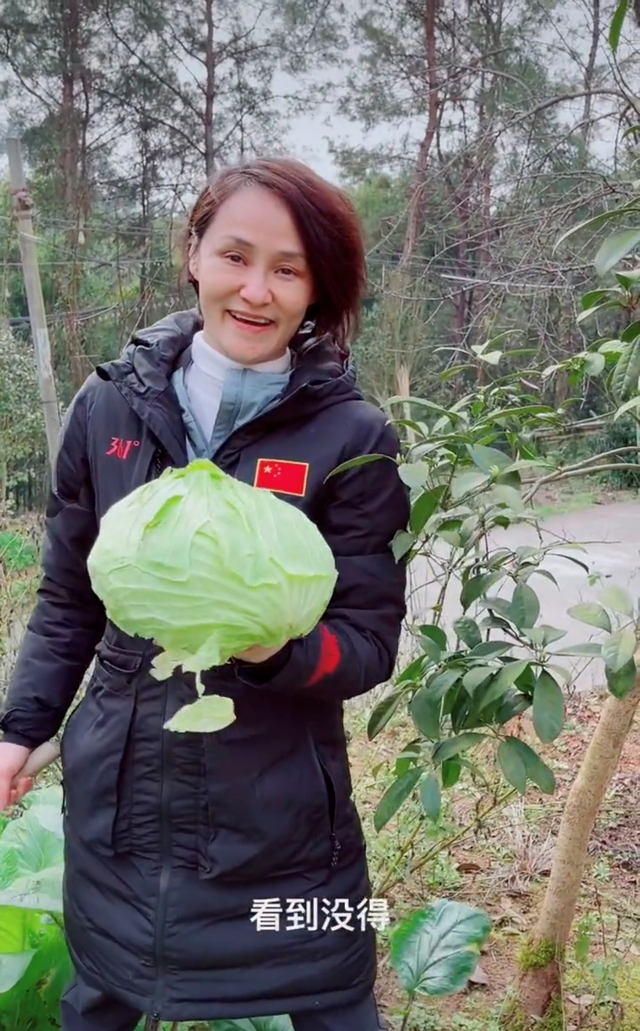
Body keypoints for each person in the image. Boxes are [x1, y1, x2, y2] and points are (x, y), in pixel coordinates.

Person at [0, 157, 410, 1031]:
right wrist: (20, 727)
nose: (256, 290)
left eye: (289, 268)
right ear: (193, 254)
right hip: (121, 798)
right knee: (102, 994)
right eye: (235, 256)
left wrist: (273, 646)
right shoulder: (109, 407)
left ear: (316, 288)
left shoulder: (354, 434)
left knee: (337, 999)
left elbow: (368, 643)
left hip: (288, 823)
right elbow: (69, 595)